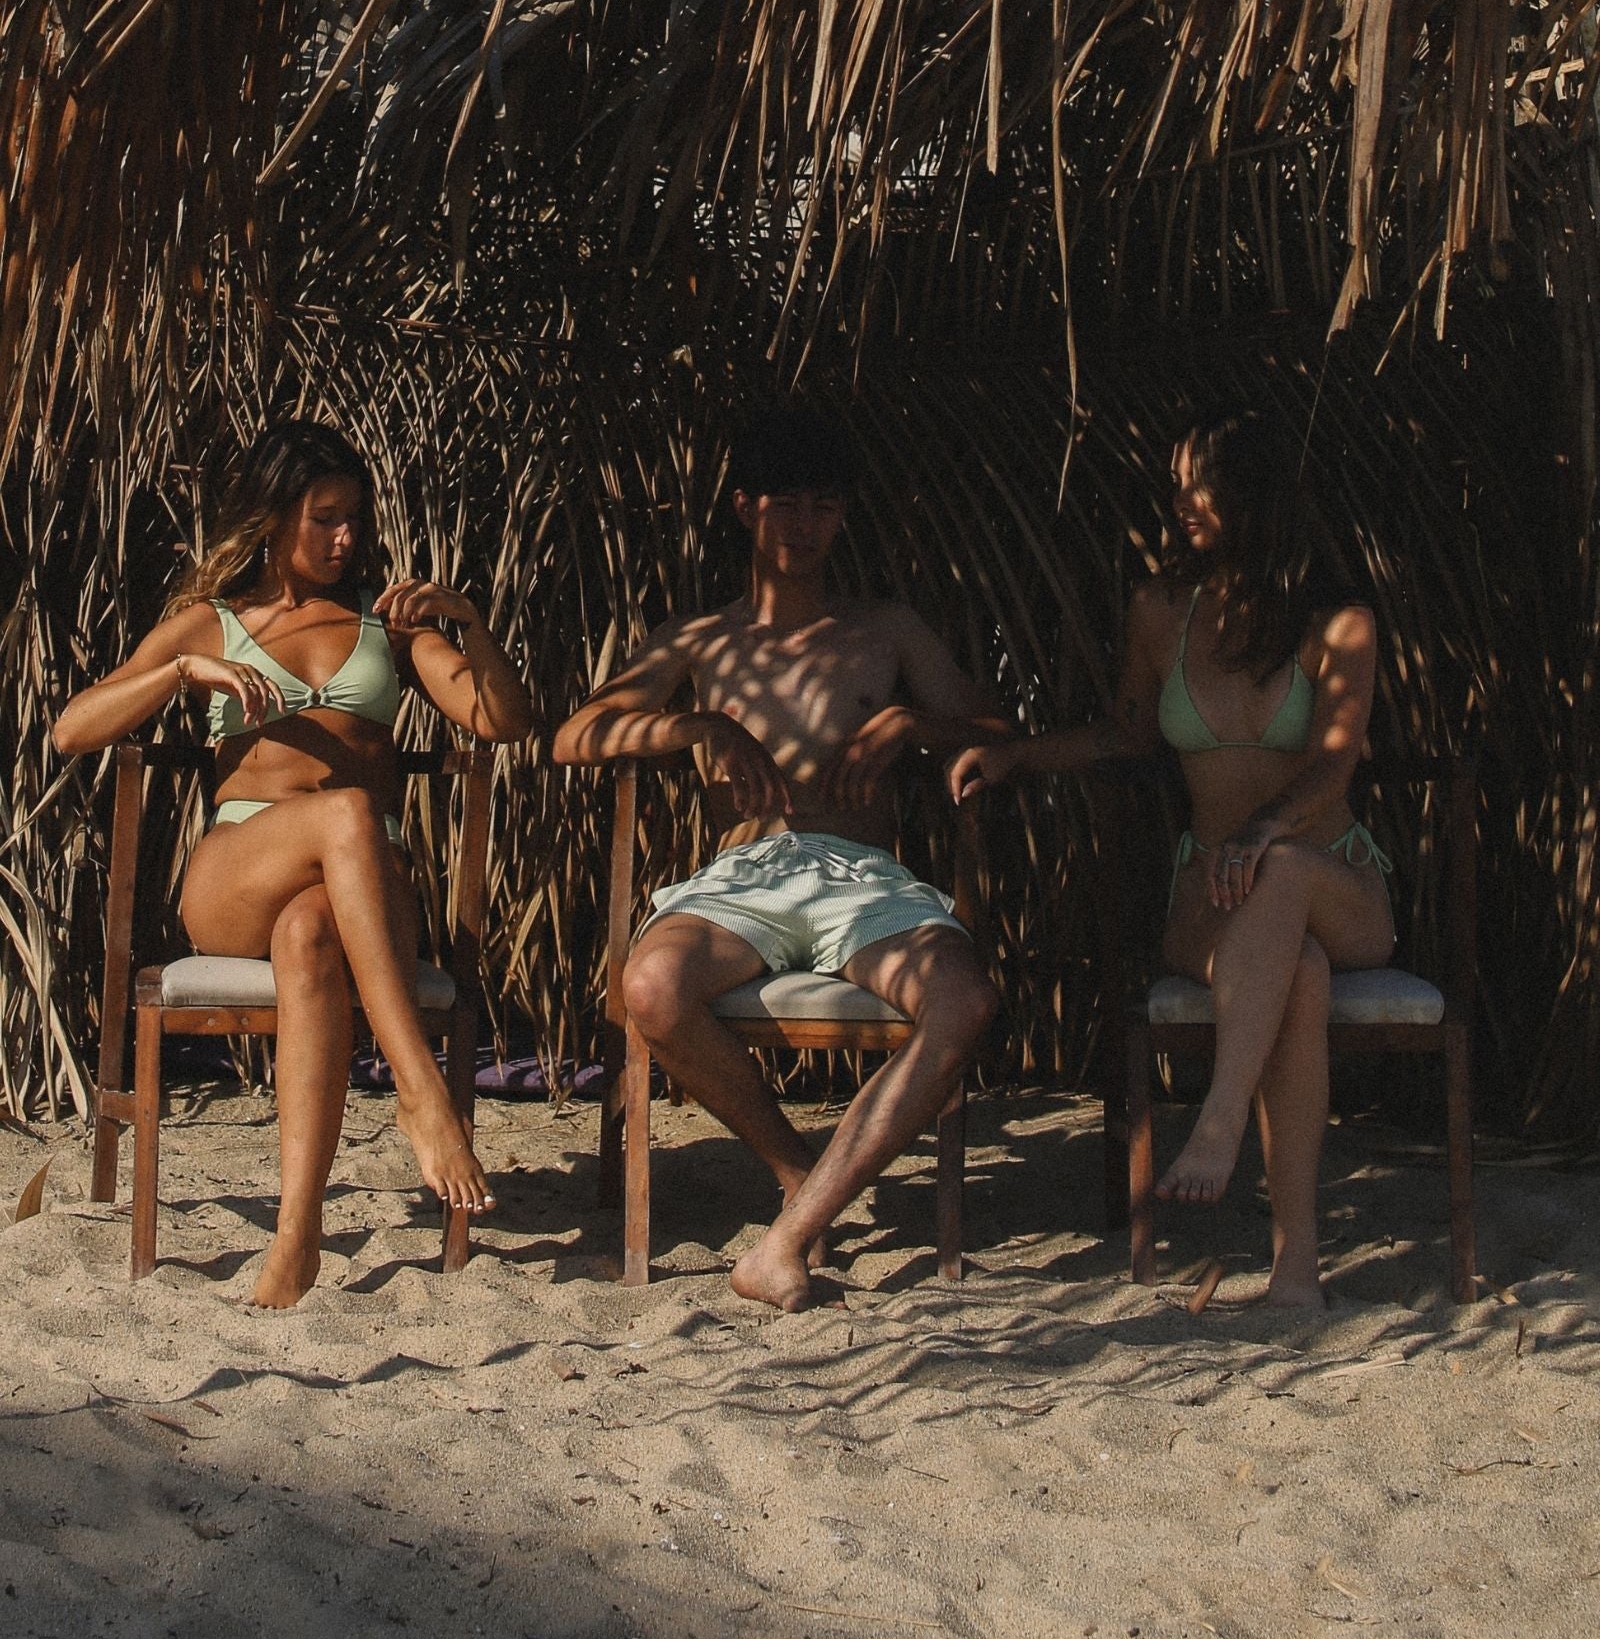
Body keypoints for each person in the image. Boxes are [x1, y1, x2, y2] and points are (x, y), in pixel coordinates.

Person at [54, 420, 533, 1307]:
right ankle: (422, 1090)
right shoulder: (211, 623)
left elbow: (501, 722)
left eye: (355, 519)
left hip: (366, 893)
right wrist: (181, 675)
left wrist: (469, 628)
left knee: (314, 928)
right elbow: (72, 729)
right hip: (239, 870)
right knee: (345, 811)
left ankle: (298, 1236)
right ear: (275, 519)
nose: (346, 538)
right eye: (325, 519)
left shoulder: (384, 627)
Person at [553, 407, 1007, 1312]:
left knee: (965, 1001)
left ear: (844, 518)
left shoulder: (887, 629)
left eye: (824, 506)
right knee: (650, 990)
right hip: (745, 877)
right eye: (784, 504)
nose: (803, 525)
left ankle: (786, 1243)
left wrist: (917, 723)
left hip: (862, 879)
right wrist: (694, 723)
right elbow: (575, 737)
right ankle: (798, 1171)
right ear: (742, 509)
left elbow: (997, 733)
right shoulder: (703, 640)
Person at [949, 410, 1393, 1307]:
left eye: (1200, 483)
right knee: (1294, 968)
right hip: (1214, 894)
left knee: (1290, 880)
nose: (1179, 501)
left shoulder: (1337, 623)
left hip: (1331, 876)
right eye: (1177, 482)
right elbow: (1125, 734)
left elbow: (1338, 755)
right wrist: (1018, 755)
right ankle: (1295, 1271)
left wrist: (1267, 826)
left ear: (1254, 495)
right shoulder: (1160, 610)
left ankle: (1220, 1118)